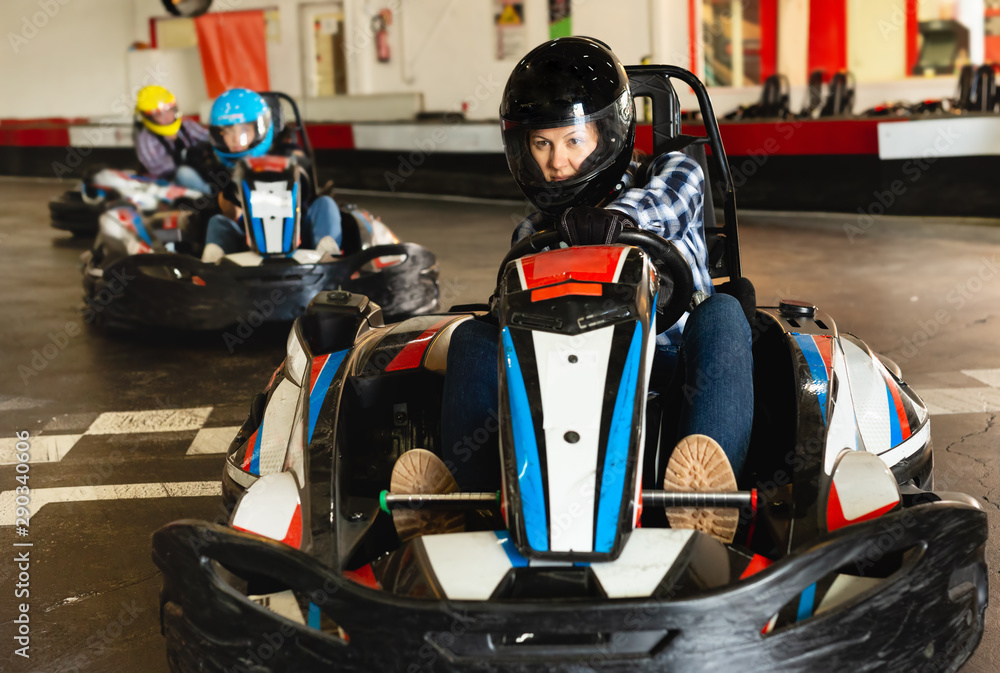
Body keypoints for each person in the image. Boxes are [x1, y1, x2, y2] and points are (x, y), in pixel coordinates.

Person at [397, 37, 753, 545]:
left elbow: (676, 198)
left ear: (609, 136)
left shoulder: (670, 174)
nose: (556, 162)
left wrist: (614, 221)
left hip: (670, 368)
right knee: (475, 337)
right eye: (542, 144)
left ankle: (702, 500)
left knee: (722, 312)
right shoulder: (531, 234)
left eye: (572, 141)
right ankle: (472, 503)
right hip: (568, 373)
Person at [200, 88, 342, 263]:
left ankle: (328, 257)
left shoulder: (288, 154)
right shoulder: (219, 170)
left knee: (325, 204)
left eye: (244, 130)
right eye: (227, 132)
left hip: (298, 234)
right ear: (217, 135)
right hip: (249, 240)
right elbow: (225, 212)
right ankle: (212, 267)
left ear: (261, 128)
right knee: (217, 221)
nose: (236, 139)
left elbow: (306, 190)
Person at [134, 85, 213, 194]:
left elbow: (210, 137)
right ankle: (213, 195)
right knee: (183, 172)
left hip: (198, 173)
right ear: (149, 117)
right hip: (166, 184)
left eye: (169, 110)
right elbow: (159, 170)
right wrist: (186, 157)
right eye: (159, 114)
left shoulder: (186, 124)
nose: (167, 116)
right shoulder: (146, 138)